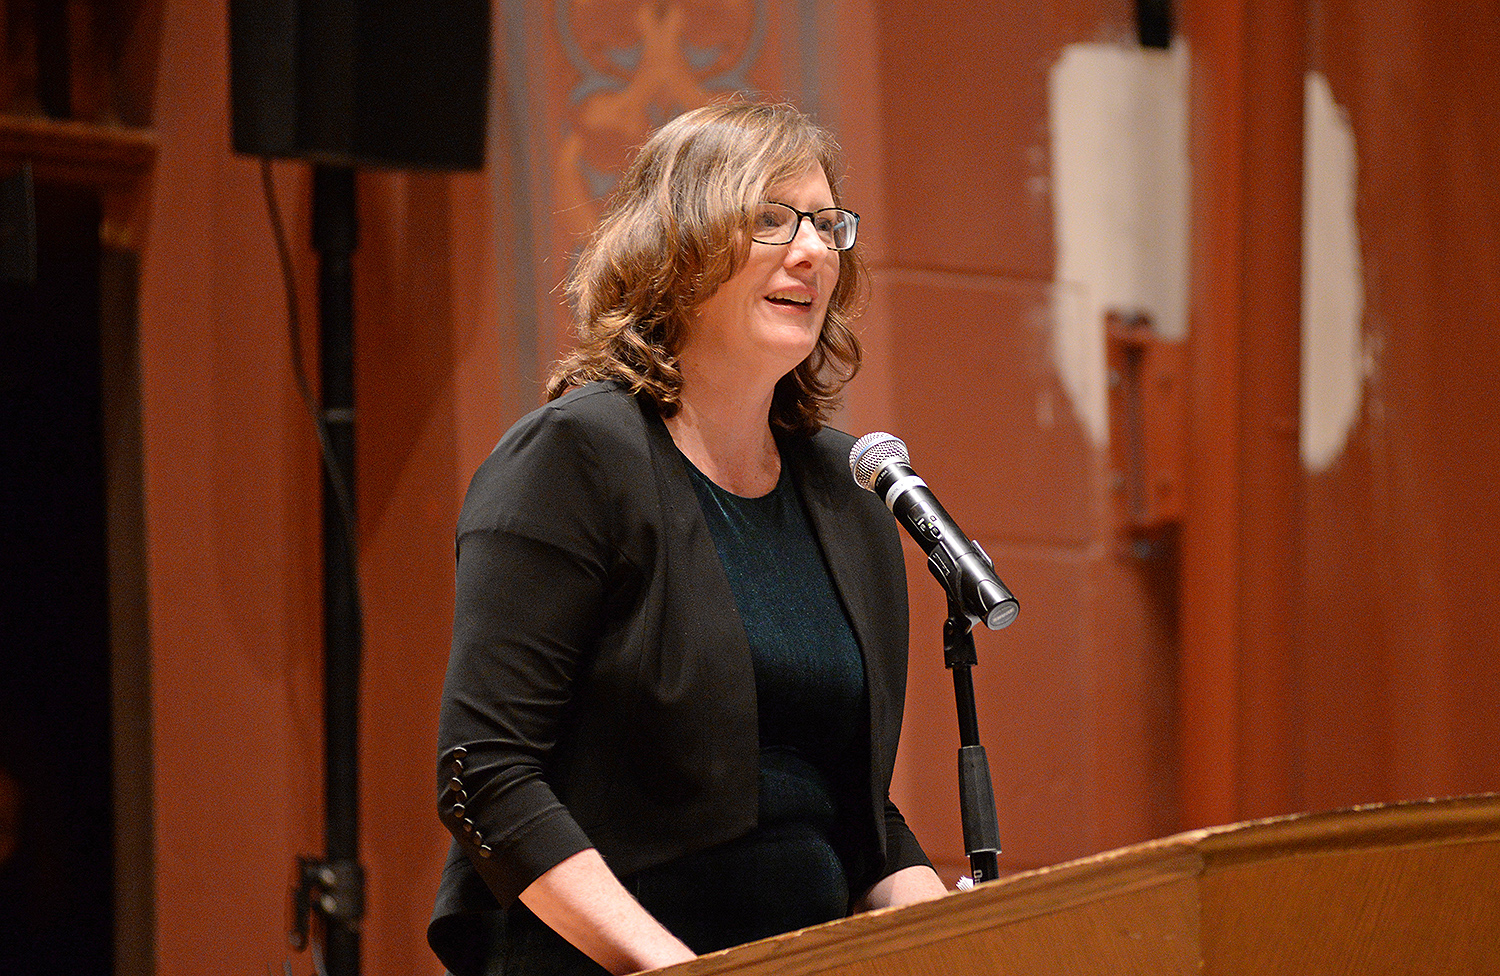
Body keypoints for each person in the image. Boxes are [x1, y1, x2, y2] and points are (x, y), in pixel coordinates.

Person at [430, 99, 948, 976]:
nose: (814, 248)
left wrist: (965, 943)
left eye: (827, 223)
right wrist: (673, 969)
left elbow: (857, 827)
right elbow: (485, 773)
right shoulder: (575, 460)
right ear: (675, 248)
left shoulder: (847, 490)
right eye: (770, 218)